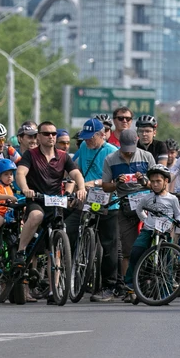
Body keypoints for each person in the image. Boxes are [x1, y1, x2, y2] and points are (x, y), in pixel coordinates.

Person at [15, 121, 86, 304]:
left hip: (55, 203)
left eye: (54, 133)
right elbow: (21, 173)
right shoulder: (30, 155)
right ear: (38, 136)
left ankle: (54, 291)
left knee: (55, 248)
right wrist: (25, 189)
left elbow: (76, 174)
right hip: (36, 200)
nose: (51, 137)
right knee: (36, 216)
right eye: (46, 134)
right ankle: (21, 251)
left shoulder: (63, 156)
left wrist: (81, 188)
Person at [70, 118, 119, 302]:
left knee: (109, 246)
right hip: (87, 200)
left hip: (108, 202)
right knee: (71, 229)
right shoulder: (83, 148)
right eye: (86, 137)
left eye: (91, 137)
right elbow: (77, 168)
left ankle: (109, 286)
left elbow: (116, 181)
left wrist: (96, 182)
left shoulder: (112, 152)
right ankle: (71, 275)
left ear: (102, 135)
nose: (88, 141)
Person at [100, 126, 155, 288]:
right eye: (125, 150)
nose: (128, 153)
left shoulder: (147, 157)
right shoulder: (111, 159)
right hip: (125, 205)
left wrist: (144, 181)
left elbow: (157, 184)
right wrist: (117, 183)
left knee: (151, 243)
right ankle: (128, 285)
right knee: (127, 249)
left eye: (131, 150)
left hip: (147, 204)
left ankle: (149, 279)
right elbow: (105, 186)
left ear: (136, 142)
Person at [124, 164, 180, 289]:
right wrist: (146, 221)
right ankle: (129, 282)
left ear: (166, 181)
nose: (155, 184)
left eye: (158, 181)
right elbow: (139, 209)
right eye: (153, 181)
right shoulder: (147, 198)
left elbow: (178, 215)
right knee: (136, 251)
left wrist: (178, 226)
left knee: (166, 259)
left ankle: (166, 288)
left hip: (164, 232)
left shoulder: (172, 199)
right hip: (149, 230)